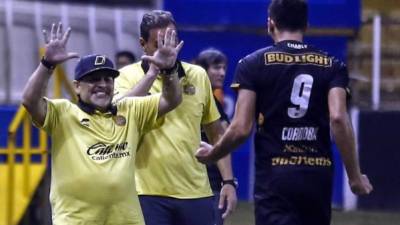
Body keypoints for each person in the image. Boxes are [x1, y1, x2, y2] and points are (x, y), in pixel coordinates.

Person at [195, 1, 373, 225]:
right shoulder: (332, 65)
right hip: (316, 175)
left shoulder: (252, 64)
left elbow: (240, 128)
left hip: (274, 176)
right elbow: (338, 118)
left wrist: (213, 154)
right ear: (306, 26)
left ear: (271, 24)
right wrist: (355, 176)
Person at [22, 22, 183, 225]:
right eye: (94, 79)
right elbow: (29, 100)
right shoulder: (63, 113)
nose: (102, 85)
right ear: (77, 87)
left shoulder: (130, 110)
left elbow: (172, 100)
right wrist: (47, 65)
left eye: (108, 79)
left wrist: (169, 70)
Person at [114, 10, 237, 225]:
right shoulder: (126, 76)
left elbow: (216, 132)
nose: (167, 49)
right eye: (159, 43)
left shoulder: (197, 76)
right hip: (145, 193)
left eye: (172, 40)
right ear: (143, 44)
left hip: (196, 192)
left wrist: (228, 181)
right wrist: (155, 71)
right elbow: (121, 111)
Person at [194, 48, 236, 225]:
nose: (222, 73)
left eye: (224, 68)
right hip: (203, 186)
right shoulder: (197, 100)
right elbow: (223, 140)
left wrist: (228, 180)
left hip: (211, 183)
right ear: (203, 70)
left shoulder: (213, 102)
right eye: (216, 68)